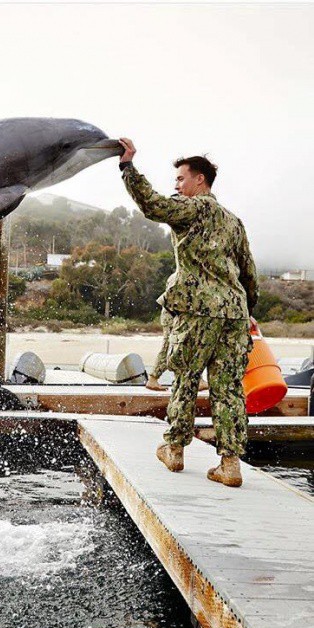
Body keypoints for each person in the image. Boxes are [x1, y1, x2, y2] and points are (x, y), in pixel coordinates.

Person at [119, 139, 258, 487]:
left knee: (186, 376)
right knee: (228, 388)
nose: (177, 186)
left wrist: (127, 167)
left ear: (200, 181)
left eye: (181, 179)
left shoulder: (193, 209)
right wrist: (249, 310)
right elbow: (248, 271)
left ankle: (175, 449)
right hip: (234, 312)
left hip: (198, 310)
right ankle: (230, 464)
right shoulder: (233, 221)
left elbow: (151, 205)